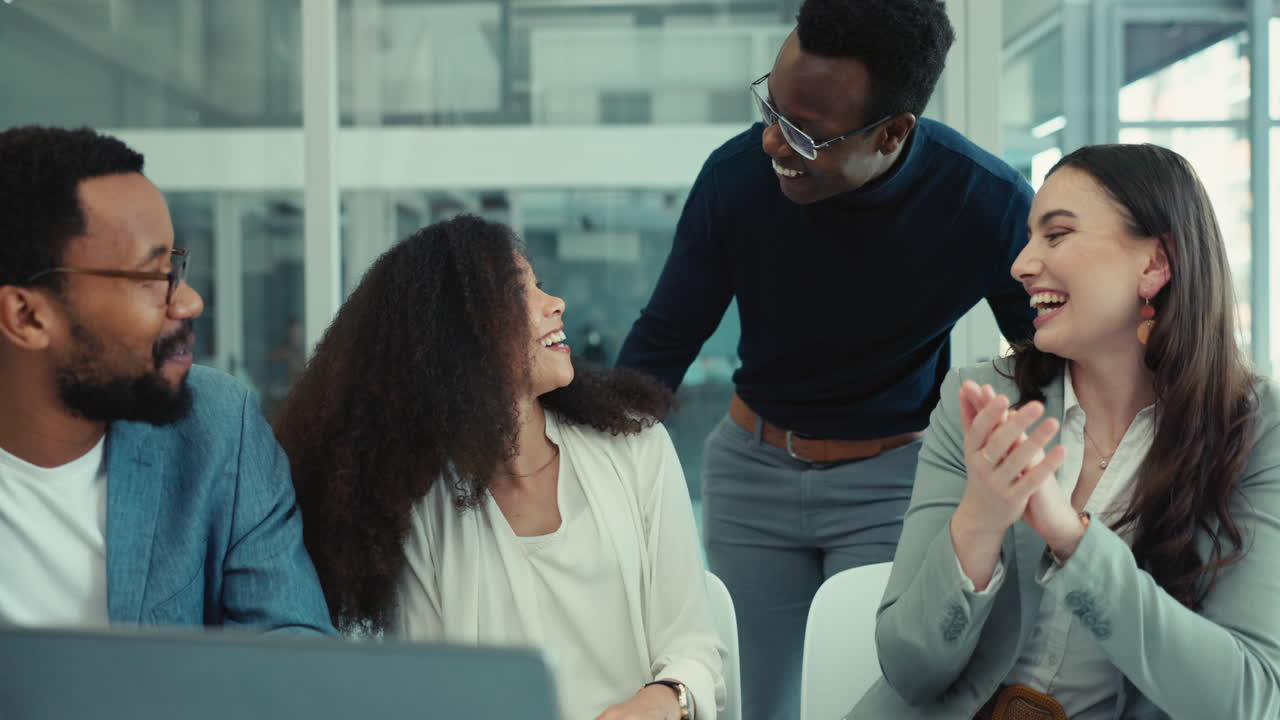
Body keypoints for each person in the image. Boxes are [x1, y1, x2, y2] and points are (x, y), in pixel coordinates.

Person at [614, 1, 1035, 716]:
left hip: (893, 483)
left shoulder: (985, 203)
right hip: (752, 475)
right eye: (771, 111)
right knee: (752, 704)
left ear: (893, 132)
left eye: (806, 135)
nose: (775, 143)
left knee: (877, 698)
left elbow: (1051, 354)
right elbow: (659, 348)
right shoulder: (736, 178)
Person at [855, 143, 1280, 719]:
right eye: (1031, 236)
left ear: (1155, 263)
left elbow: (1245, 701)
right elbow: (911, 670)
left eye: (1055, 235)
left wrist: (1070, 538)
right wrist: (980, 519)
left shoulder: (1256, 432)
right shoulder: (981, 402)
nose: (1021, 264)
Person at [274, 215, 726, 720]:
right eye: (519, 293)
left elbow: (695, 650)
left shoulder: (635, 445)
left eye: (540, 285)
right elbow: (429, 699)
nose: (555, 304)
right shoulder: (421, 509)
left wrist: (661, 702)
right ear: (457, 337)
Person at [0, 126, 332, 632]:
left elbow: (293, 655)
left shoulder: (217, 428)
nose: (190, 301)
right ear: (26, 317)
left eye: (175, 264)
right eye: (154, 276)